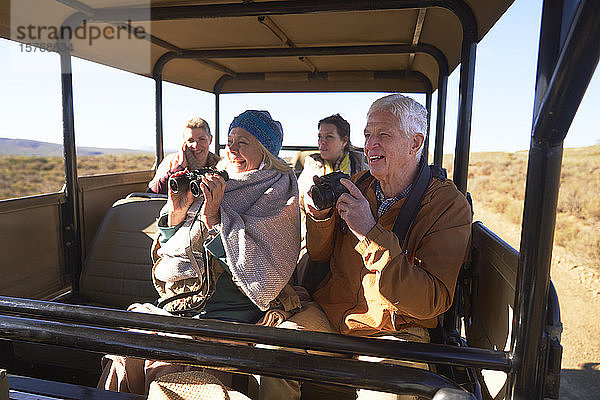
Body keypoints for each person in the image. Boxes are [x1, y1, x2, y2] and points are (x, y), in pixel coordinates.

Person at [264, 94, 472, 400]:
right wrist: (320, 217)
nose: (370, 144)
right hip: (335, 318)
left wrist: (369, 232)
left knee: (386, 391)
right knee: (273, 349)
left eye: (383, 135)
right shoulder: (357, 184)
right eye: (367, 135)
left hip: (395, 331)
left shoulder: (447, 205)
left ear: (415, 144)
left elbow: (431, 301)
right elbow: (320, 255)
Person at [99, 110, 301, 397]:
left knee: (176, 376)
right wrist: (178, 212)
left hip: (229, 313)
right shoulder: (222, 181)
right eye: (229, 140)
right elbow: (174, 250)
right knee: (125, 355)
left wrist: (215, 221)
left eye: (242, 142)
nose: (231, 149)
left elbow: (263, 275)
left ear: (265, 150)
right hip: (180, 304)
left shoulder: (279, 193)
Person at [295, 114, 367, 289]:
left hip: (352, 235)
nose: (322, 142)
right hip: (317, 234)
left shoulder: (362, 167)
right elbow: (299, 207)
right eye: (320, 137)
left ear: (344, 140)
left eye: (329, 137)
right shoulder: (311, 166)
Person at [148, 117, 220, 194]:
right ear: (184, 143)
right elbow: (153, 192)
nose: (195, 145)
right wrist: (179, 167)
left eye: (201, 139)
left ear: (210, 140)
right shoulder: (171, 161)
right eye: (190, 140)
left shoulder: (219, 163)